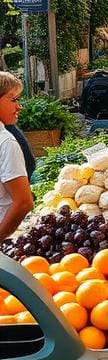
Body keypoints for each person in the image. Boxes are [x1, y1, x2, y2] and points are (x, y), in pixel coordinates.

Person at [0, 73, 33, 241]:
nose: (19, 106)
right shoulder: (6, 143)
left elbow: (23, 203)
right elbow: (24, 202)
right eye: (13, 99)